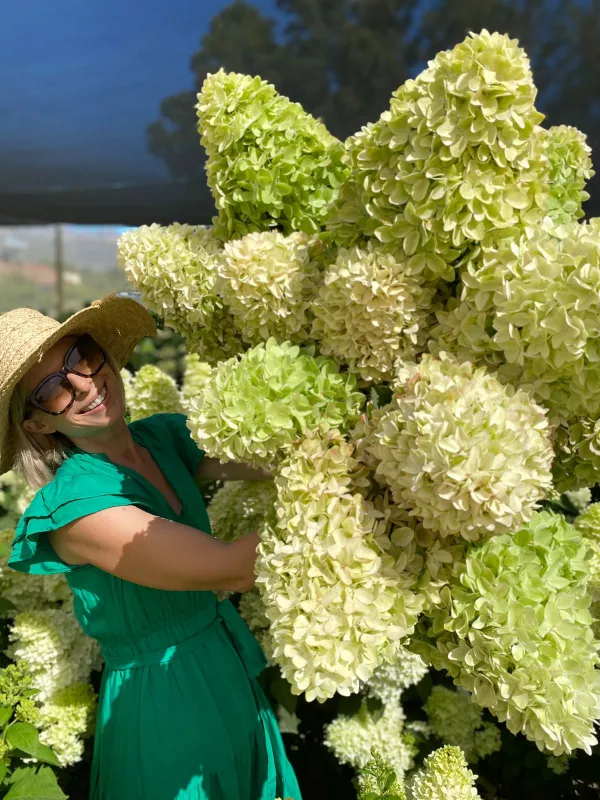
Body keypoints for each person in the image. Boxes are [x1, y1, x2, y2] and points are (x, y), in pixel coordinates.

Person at [0, 296, 301, 800]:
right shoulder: (78, 510)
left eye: (81, 356)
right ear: (37, 423)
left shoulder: (162, 437)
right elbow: (232, 568)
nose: (83, 383)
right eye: (53, 389)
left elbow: (273, 455)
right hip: (164, 703)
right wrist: (335, 521)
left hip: (224, 667)